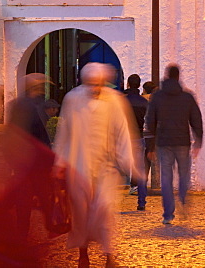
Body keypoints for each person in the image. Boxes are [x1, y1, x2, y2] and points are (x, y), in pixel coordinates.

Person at [54, 63, 136, 268]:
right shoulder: (72, 99)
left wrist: (128, 161)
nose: (95, 88)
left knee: (105, 211)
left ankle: (109, 255)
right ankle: (83, 254)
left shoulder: (114, 100)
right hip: (78, 166)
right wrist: (59, 162)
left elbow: (122, 131)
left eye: (98, 84)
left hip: (106, 168)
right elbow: (64, 133)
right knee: (80, 215)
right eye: (91, 84)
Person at [145, 64, 203, 225]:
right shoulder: (187, 97)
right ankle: (182, 199)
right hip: (182, 141)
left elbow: (150, 121)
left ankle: (168, 214)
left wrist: (151, 144)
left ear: (166, 76)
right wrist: (198, 140)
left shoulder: (157, 97)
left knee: (166, 178)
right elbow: (196, 119)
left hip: (164, 142)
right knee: (184, 175)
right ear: (178, 77)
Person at [5, 72, 57, 239]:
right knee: (41, 196)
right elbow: (39, 135)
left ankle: (23, 231)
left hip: (23, 160)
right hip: (33, 161)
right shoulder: (33, 107)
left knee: (26, 199)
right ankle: (49, 226)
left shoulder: (18, 105)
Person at [124, 74, 149, 211]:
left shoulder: (122, 101)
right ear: (139, 85)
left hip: (123, 137)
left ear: (128, 84)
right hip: (138, 137)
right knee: (140, 170)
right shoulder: (144, 102)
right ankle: (141, 202)